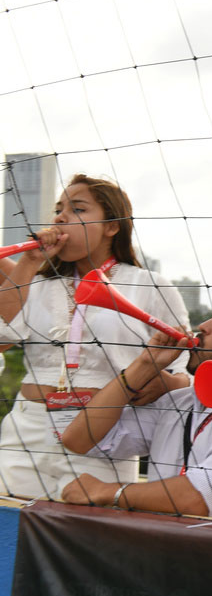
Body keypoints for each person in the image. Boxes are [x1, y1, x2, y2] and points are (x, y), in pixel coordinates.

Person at [0, 174, 190, 499]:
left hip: (104, 433)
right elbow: (3, 333)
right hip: (26, 427)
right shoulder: (37, 280)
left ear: (112, 226)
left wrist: (165, 381)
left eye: (77, 209)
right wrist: (29, 263)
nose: (60, 217)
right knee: (7, 529)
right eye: (58, 210)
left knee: (83, 534)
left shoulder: (149, 284)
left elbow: (182, 367)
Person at [58, 286, 212, 518]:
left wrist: (106, 491)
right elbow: (78, 440)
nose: (203, 327)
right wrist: (143, 365)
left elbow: (198, 499)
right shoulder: (181, 401)